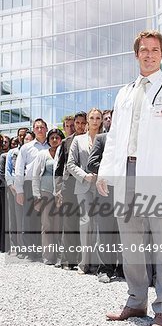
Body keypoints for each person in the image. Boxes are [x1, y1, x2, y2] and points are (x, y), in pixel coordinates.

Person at [96, 30, 162, 326]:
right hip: (127, 172)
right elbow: (114, 137)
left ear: (161, 55)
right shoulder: (125, 92)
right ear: (136, 54)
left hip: (159, 176)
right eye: (143, 50)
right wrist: (105, 171)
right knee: (131, 244)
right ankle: (136, 300)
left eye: (154, 50)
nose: (149, 54)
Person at [87, 110, 124, 283]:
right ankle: (105, 269)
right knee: (105, 232)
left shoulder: (129, 140)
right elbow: (91, 163)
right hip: (106, 191)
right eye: (107, 118)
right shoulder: (101, 139)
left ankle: (123, 269)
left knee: (125, 231)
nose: (110, 120)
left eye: (113, 118)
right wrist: (112, 168)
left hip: (125, 190)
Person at [67, 108, 103, 274]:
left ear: (101, 120)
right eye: (92, 118)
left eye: (98, 118)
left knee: (100, 224)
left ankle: (98, 263)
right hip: (83, 186)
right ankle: (84, 262)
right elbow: (71, 164)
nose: (95, 121)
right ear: (88, 120)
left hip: (102, 185)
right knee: (85, 222)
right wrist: (85, 176)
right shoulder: (78, 140)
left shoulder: (106, 138)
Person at [55, 111, 87, 269]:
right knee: (69, 222)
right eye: (78, 123)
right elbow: (60, 168)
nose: (80, 126)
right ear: (74, 124)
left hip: (86, 185)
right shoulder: (66, 142)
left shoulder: (91, 139)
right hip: (69, 185)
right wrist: (58, 189)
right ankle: (68, 260)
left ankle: (84, 259)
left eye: (83, 122)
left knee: (85, 222)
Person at [15, 119, 49, 260]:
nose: (40, 130)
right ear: (33, 130)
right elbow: (19, 169)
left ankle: (45, 250)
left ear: (46, 128)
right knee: (29, 219)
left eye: (42, 127)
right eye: (37, 127)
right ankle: (31, 251)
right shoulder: (26, 147)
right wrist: (19, 191)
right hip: (29, 185)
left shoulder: (53, 144)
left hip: (46, 184)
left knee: (46, 218)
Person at [32, 129, 65, 264]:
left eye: (57, 137)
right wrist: (37, 196)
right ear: (48, 140)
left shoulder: (63, 153)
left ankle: (59, 256)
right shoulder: (42, 154)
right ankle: (47, 256)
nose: (55, 140)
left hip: (59, 193)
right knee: (47, 225)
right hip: (45, 193)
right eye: (52, 137)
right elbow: (35, 176)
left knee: (58, 225)